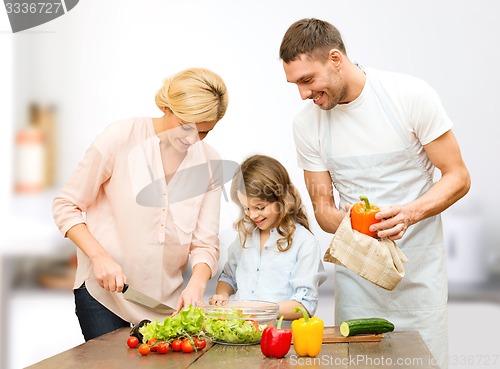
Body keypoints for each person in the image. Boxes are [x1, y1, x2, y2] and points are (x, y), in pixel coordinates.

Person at [279, 18, 470, 368]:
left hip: (419, 278)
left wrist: (410, 213)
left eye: (308, 80)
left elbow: (457, 176)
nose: (303, 94)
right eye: (296, 84)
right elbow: (323, 209)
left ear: (335, 59)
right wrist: (356, 222)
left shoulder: (408, 95)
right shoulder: (306, 125)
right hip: (358, 285)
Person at [52, 67, 229, 341]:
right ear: (165, 106)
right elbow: (66, 205)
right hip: (104, 296)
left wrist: (197, 283)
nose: (192, 139)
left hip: (164, 307)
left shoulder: (210, 164)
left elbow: (205, 244)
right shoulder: (120, 137)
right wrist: (99, 257)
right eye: (186, 125)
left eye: (204, 132)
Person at [210, 154, 327, 320]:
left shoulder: (304, 242)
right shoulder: (246, 235)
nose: (252, 215)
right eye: (246, 208)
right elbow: (228, 277)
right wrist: (222, 295)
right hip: (240, 333)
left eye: (260, 207)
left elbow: (304, 306)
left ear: (282, 199)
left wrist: (255, 309)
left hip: (279, 339)